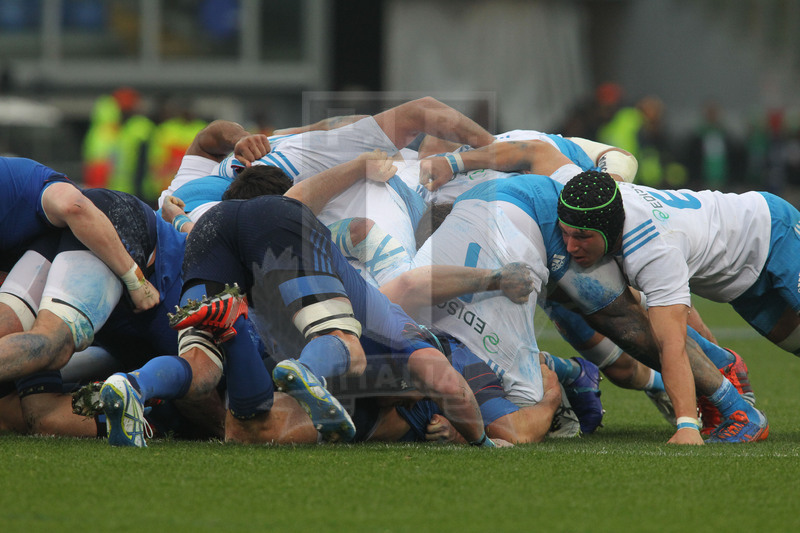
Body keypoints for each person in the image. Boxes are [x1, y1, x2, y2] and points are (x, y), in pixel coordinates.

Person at [556, 170, 783, 443]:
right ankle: (724, 365)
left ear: (606, 228)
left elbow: (671, 344)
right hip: (732, 243)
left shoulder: (652, 249)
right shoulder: (592, 193)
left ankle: (733, 392)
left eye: (581, 236)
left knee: (661, 334)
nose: (569, 247)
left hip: (768, 228)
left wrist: (686, 424)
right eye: (564, 233)